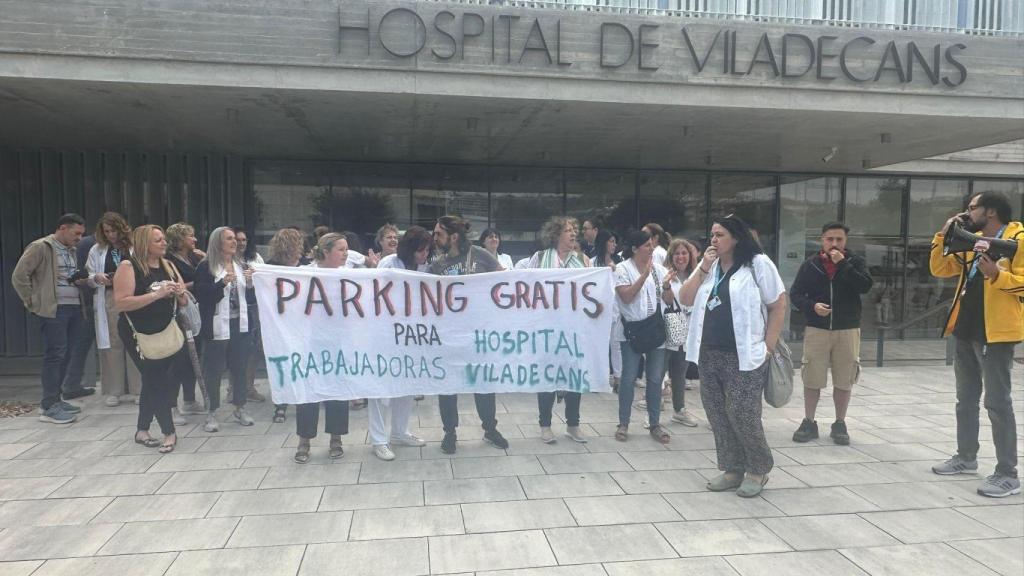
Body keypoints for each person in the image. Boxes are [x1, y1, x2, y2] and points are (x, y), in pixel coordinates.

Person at [679, 215, 787, 498]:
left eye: (720, 235)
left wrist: (768, 346)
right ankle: (732, 468)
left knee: (742, 413)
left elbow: (778, 305)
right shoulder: (710, 266)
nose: (714, 240)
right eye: (712, 235)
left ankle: (758, 469)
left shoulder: (758, 264)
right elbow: (685, 298)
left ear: (737, 238)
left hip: (745, 354)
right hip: (708, 352)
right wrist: (703, 266)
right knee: (717, 413)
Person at [930, 192, 1022, 498]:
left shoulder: (1018, 239)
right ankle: (966, 456)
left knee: (997, 403)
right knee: (965, 399)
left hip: (995, 334)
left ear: (990, 211)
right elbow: (940, 269)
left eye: (972, 208)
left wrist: (997, 275)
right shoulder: (973, 241)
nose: (967, 213)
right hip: (965, 330)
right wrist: (943, 235)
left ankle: (1007, 473)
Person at [430, 215, 509, 454]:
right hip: (449, 336)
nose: (435, 238)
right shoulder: (437, 265)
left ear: (454, 237)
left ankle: (490, 429)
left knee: (483, 383)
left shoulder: (480, 255)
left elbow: (505, 280)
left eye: (439, 234)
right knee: (448, 386)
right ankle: (450, 433)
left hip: (479, 335)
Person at [790, 222, 873, 445]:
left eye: (839, 239)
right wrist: (812, 306)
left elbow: (865, 286)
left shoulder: (855, 262)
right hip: (817, 328)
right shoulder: (810, 265)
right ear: (822, 240)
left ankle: (839, 423)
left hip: (847, 328)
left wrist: (843, 264)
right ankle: (809, 421)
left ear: (845, 241)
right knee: (812, 376)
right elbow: (796, 294)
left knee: (845, 378)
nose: (834, 244)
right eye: (830, 239)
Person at [113, 224, 191, 453]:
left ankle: (142, 430)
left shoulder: (169, 265)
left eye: (163, 239)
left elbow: (185, 300)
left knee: (153, 379)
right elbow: (122, 302)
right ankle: (169, 432)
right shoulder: (128, 266)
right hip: (138, 332)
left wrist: (178, 292)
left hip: (166, 330)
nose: (164, 243)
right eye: (158, 240)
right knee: (157, 380)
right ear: (144, 243)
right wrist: (157, 294)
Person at [13, 214, 88, 424]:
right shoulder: (41, 247)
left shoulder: (72, 250)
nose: (79, 238)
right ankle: (48, 406)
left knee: (67, 353)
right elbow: (19, 276)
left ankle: (55, 399)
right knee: (55, 355)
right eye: (76, 233)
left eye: (81, 234)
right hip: (54, 310)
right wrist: (33, 302)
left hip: (74, 307)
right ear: (63, 228)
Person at [369, 227, 432, 460]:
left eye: (427, 250)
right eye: (421, 250)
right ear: (410, 249)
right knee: (380, 390)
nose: (425, 255)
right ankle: (378, 440)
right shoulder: (389, 263)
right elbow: (375, 297)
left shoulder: (425, 267)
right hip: (385, 335)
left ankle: (399, 432)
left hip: (411, 336)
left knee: (406, 385)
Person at [526, 217, 590, 444]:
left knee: (574, 378)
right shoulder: (540, 258)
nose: (573, 234)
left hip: (574, 330)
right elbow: (526, 287)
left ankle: (573, 424)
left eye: (574, 230)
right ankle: (545, 425)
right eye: (568, 230)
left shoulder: (583, 260)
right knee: (547, 377)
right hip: (547, 330)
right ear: (556, 235)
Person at [293, 233, 352, 463]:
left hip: (339, 341)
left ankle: (336, 438)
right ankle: (304, 440)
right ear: (326, 252)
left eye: (346, 249)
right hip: (310, 341)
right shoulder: (304, 273)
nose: (346, 253)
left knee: (337, 389)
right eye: (341, 249)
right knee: (309, 390)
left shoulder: (349, 275)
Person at [195, 226, 256, 432]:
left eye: (234, 239)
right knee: (213, 370)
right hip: (216, 326)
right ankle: (211, 412)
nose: (234, 242)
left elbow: (251, 299)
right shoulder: (206, 267)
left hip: (240, 324)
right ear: (217, 243)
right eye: (229, 239)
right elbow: (202, 295)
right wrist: (221, 283)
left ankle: (240, 407)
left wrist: (250, 283)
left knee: (239, 367)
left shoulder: (241, 265)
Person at [614, 230, 671, 444]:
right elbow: (626, 297)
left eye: (652, 244)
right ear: (635, 248)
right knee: (628, 378)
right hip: (632, 330)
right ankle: (623, 423)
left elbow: (669, 299)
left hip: (655, 329)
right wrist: (644, 276)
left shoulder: (659, 269)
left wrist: (667, 286)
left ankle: (655, 423)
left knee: (655, 379)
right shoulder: (622, 268)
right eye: (647, 245)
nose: (651, 248)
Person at [86, 212, 142, 408]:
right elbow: (89, 275)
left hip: (132, 296)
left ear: (122, 229)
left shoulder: (135, 247)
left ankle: (138, 389)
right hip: (109, 298)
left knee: (135, 341)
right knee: (113, 342)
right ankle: (114, 390)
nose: (111, 235)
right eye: (107, 231)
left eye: (114, 230)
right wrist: (97, 278)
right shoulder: (97, 249)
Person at [164, 222, 206, 418]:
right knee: (179, 360)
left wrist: (205, 259)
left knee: (192, 358)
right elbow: (175, 286)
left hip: (195, 312)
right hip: (179, 314)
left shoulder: (194, 257)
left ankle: (190, 399)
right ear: (180, 240)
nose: (194, 239)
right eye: (190, 236)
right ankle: (172, 405)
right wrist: (195, 284)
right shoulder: (169, 261)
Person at [264, 227, 306, 424]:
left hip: (300, 322)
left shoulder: (306, 266)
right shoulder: (269, 268)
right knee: (283, 362)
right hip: (280, 323)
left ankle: (296, 399)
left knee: (298, 361)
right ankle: (282, 402)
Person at [662, 237, 701, 427]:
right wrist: (667, 285)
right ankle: (652, 413)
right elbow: (667, 301)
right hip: (668, 331)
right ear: (671, 256)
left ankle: (679, 410)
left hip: (688, 333)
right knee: (658, 373)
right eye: (677, 253)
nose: (681, 257)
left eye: (684, 253)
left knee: (679, 374)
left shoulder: (697, 276)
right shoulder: (667, 275)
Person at [62, 231, 98, 399]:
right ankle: (70, 384)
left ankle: (70, 383)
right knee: (80, 344)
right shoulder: (88, 245)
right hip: (87, 300)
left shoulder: (85, 244)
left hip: (86, 299)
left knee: (79, 344)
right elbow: (82, 273)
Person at [232, 227, 266, 404]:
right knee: (236, 351)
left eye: (244, 240)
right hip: (234, 311)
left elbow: (265, 278)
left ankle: (249, 387)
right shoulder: (225, 260)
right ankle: (234, 389)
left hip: (254, 308)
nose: (241, 243)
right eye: (237, 240)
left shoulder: (255, 258)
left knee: (254, 349)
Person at [594, 230, 623, 391]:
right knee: (599, 345)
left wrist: (614, 270)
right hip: (597, 310)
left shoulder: (620, 262)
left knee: (616, 344)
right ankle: (599, 377)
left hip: (616, 309)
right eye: (611, 241)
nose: (614, 244)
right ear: (603, 242)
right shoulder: (592, 262)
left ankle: (618, 378)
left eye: (615, 241)